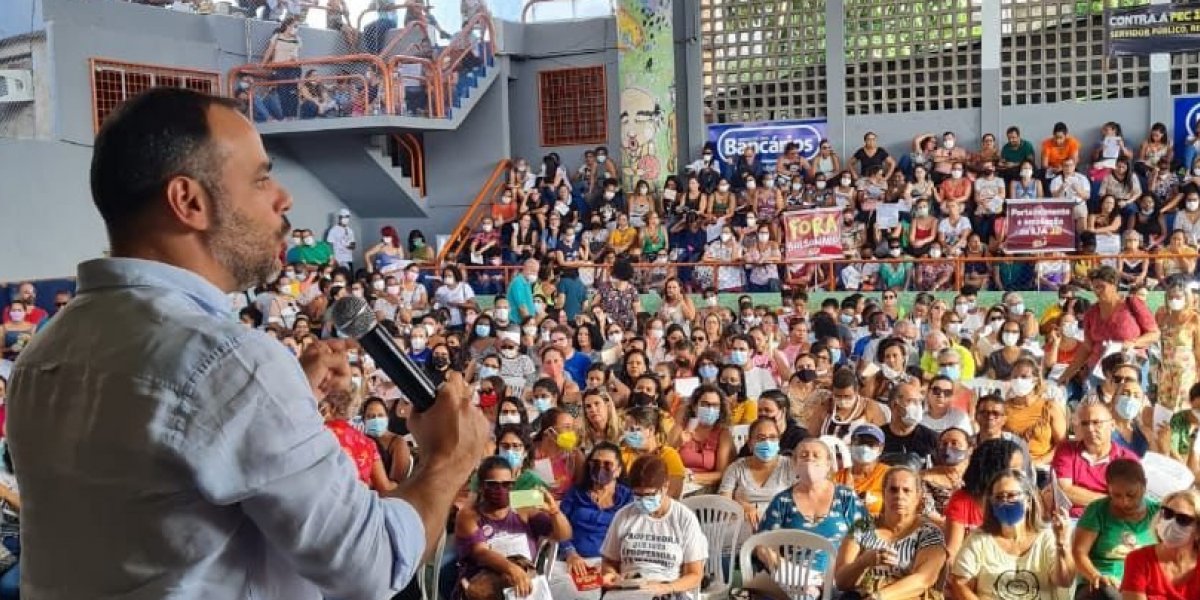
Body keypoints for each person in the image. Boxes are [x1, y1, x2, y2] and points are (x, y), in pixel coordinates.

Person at [6, 88, 488, 598]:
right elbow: (370, 566)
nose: (284, 198)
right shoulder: (231, 363)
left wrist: (291, 397)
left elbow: (148, 488)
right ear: (189, 201)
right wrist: (449, 460)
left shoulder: (44, 351)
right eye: (261, 178)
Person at [452, 455, 572, 600]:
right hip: (482, 586)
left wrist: (555, 512)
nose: (500, 489)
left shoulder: (522, 506)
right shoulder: (469, 515)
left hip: (524, 584)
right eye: (493, 484)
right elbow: (481, 552)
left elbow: (563, 535)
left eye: (506, 484)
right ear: (482, 486)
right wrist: (512, 570)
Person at [949, 469, 1074, 600]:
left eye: (1011, 496)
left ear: (1028, 501)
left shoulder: (1047, 537)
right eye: (998, 497)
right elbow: (960, 584)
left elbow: (1064, 581)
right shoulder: (978, 540)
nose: (1005, 501)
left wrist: (1062, 543)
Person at [599, 455, 707, 598]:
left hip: (667, 589)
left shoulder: (684, 518)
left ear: (665, 487)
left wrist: (666, 587)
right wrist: (611, 574)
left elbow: (695, 575)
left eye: (649, 495)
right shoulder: (624, 516)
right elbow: (609, 561)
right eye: (637, 495)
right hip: (629, 589)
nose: (643, 500)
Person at [757, 438, 869, 576]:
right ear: (795, 464)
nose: (810, 459)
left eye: (816, 455)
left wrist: (846, 574)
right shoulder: (782, 501)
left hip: (839, 579)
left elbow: (866, 538)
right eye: (803, 456)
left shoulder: (846, 497)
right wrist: (790, 572)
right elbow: (762, 545)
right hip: (793, 581)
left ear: (828, 464)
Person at [833, 466, 947, 600]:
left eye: (906, 491)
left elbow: (923, 580)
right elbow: (841, 581)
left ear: (918, 497)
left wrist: (878, 597)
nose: (899, 496)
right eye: (893, 490)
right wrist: (864, 561)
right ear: (883, 493)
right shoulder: (861, 526)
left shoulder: (929, 533)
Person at [552, 442, 632, 600]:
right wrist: (570, 553)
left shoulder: (628, 498)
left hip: (611, 564)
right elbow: (559, 527)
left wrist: (612, 565)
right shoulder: (576, 493)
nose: (600, 467)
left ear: (618, 470)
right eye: (595, 463)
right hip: (576, 561)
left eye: (607, 464)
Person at [1071, 458, 1159, 600]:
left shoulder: (1158, 513)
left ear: (1144, 485)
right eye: (1116, 495)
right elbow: (1079, 552)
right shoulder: (1097, 510)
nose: (1124, 502)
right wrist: (1096, 575)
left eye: (1131, 495)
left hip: (1143, 584)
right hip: (1101, 584)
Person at [1051, 401, 1138, 519]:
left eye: (1097, 423)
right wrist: (1110, 499)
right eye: (1085, 424)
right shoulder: (1066, 450)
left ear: (1112, 425)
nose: (1090, 429)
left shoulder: (1127, 460)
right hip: (1069, 520)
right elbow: (1063, 491)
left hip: (1108, 523)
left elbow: (1126, 502)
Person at [1119, 489, 1200, 600]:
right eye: (1167, 513)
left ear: (1197, 531)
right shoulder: (1138, 559)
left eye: (1183, 519)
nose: (1171, 522)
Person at [834, 424, 891, 517]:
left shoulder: (889, 475)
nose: (865, 447)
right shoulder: (837, 478)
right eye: (860, 442)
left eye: (871, 444)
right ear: (851, 444)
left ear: (880, 449)